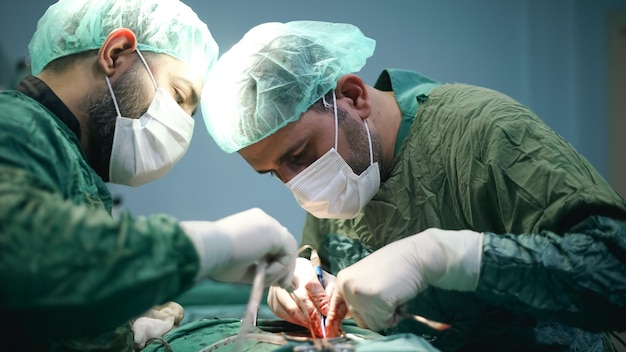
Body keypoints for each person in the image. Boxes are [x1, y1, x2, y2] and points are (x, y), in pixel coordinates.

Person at [200, 20, 626, 351]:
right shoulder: (340, 179)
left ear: (352, 97)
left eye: (298, 155)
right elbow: (324, 265)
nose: (298, 183)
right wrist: (300, 284)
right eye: (274, 172)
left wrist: (445, 256)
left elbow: (615, 267)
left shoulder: (487, 133)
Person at [0, 2, 298, 351]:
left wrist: (117, 327)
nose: (181, 127)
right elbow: (23, 252)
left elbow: (37, 311)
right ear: (116, 53)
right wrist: (209, 245)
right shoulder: (13, 125)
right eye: (179, 95)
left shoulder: (67, 159)